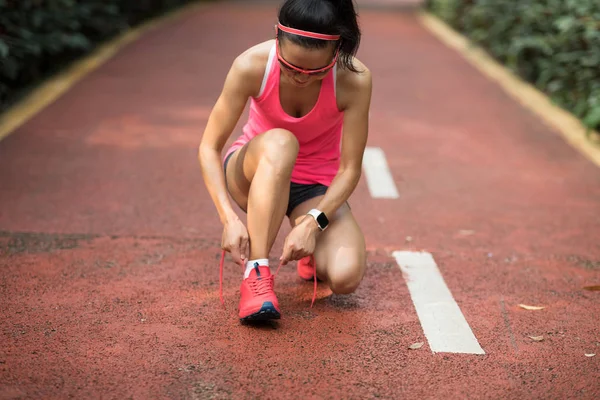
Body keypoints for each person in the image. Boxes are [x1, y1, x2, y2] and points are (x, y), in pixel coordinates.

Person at [198, 0, 372, 322]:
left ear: (337, 53)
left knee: (346, 277)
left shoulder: (355, 79)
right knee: (282, 142)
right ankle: (257, 275)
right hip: (253, 173)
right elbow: (209, 147)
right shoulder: (251, 65)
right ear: (277, 38)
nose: (301, 78)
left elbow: (349, 169)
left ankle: (311, 251)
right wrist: (228, 219)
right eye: (290, 67)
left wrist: (313, 223)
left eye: (316, 71)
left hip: (313, 189)